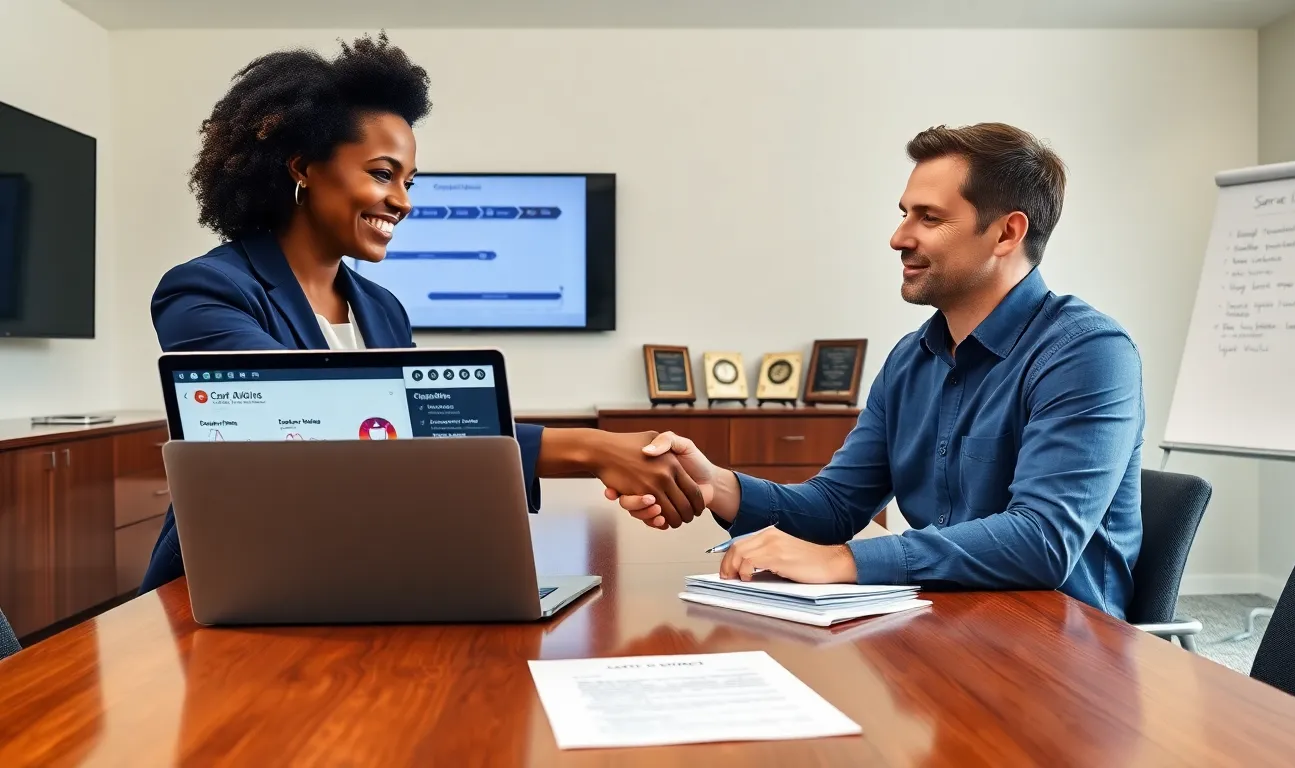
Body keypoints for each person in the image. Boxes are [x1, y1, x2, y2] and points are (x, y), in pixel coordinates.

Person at [139, 32, 702, 593]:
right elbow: (311, 423)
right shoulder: (205, 290)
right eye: (383, 174)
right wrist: (590, 448)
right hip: (236, 581)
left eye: (409, 182)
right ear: (302, 167)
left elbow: (419, 458)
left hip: (368, 563)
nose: (404, 201)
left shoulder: (382, 309)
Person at [610, 123, 1145, 620]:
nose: (898, 237)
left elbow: (1042, 542)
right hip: (948, 628)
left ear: (1007, 234)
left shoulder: (1088, 352)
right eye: (904, 213)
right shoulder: (911, 359)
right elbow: (836, 506)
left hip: (1061, 649)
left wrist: (845, 563)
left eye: (929, 218)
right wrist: (714, 485)